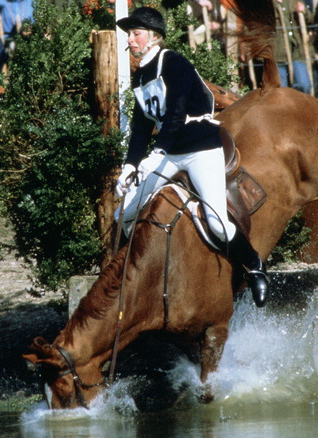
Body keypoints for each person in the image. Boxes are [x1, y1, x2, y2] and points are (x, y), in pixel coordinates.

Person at [114, 7, 269, 307]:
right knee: (125, 211)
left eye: (136, 34)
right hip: (170, 153)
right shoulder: (139, 77)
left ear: (154, 37)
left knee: (215, 220)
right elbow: (141, 127)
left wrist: (155, 156)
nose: (130, 40)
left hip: (200, 148)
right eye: (129, 35)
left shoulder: (174, 63)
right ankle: (124, 280)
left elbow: (175, 113)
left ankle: (254, 266)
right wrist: (129, 166)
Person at [274, 0, 312, 94]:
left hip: (297, 51)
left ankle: (300, 107)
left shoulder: (293, 1)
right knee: (281, 91)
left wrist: (304, 11)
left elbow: (311, 20)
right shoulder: (266, 4)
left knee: (304, 85)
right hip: (278, 55)